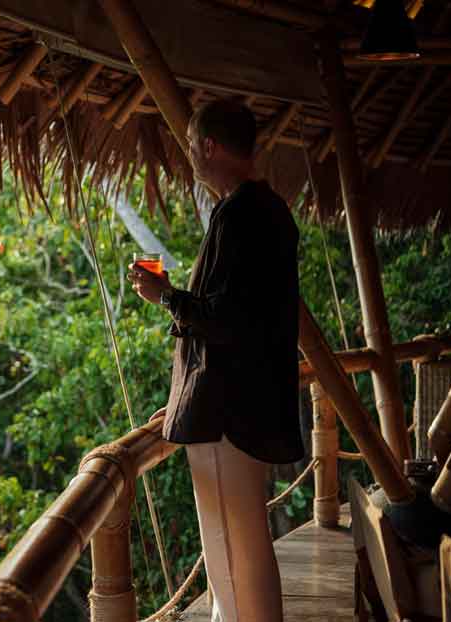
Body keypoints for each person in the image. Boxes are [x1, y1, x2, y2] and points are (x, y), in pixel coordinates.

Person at [126, 99, 304, 622]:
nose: (190, 156)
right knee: (245, 549)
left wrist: (164, 297)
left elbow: (226, 320)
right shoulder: (268, 210)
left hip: (229, 413)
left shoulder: (241, 215)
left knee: (230, 554)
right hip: (247, 408)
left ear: (209, 146)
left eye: (190, 145)